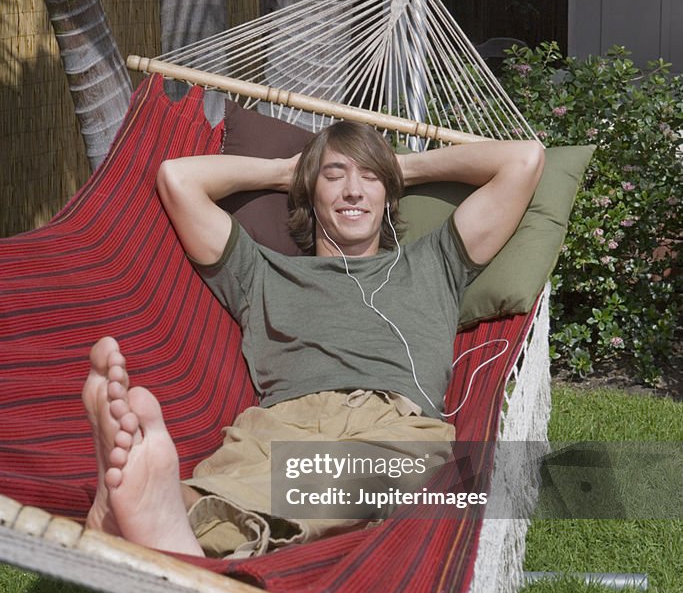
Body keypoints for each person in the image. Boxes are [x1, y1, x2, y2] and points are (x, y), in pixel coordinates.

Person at [82, 121, 544, 558]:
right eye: (334, 176)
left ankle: (164, 519)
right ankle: (150, 502)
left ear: (389, 193)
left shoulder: (434, 262)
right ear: (309, 193)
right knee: (243, 476)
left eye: (369, 178)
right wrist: (286, 171)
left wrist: (400, 166)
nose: (353, 190)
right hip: (279, 426)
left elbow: (525, 159)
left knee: (368, 477)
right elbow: (177, 178)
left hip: (393, 428)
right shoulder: (262, 271)